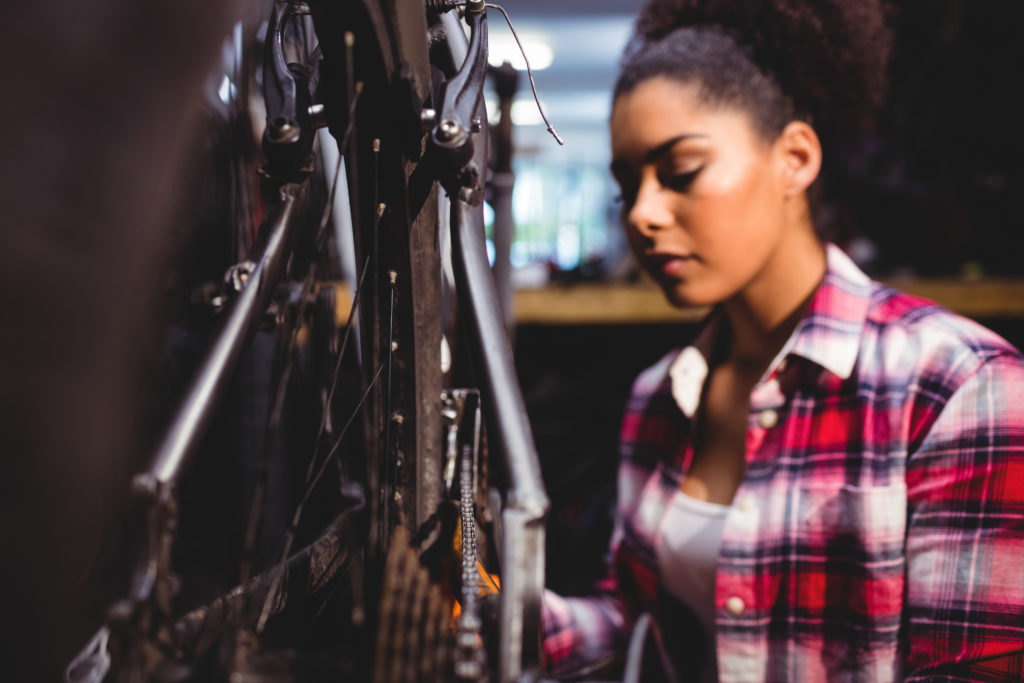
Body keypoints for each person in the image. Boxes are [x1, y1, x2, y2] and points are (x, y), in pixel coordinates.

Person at [541, 0, 1024, 680]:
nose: (644, 214)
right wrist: (486, 604)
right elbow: (635, 621)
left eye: (680, 172)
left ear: (794, 158)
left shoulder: (956, 388)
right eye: (628, 187)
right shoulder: (660, 396)